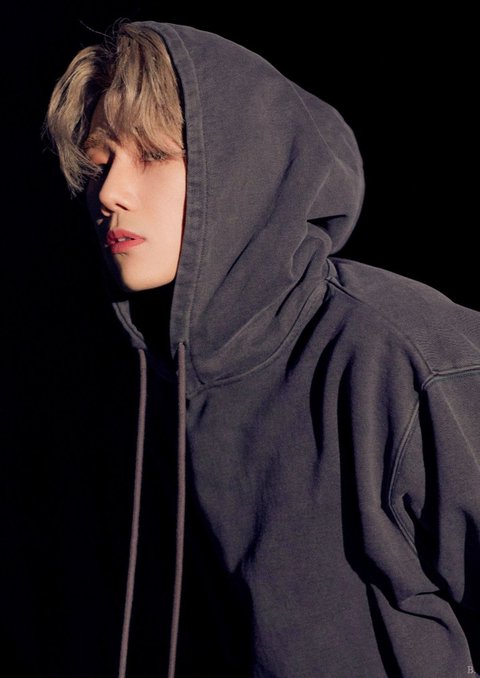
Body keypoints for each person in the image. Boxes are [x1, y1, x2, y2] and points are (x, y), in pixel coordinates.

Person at [42, 19, 479, 678]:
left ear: (245, 167)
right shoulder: (143, 383)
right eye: (101, 162)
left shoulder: (396, 354)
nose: (109, 193)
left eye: (152, 154)